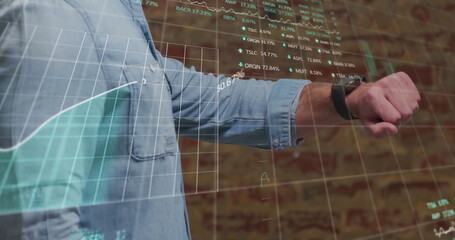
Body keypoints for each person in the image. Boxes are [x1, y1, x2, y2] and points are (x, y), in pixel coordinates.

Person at [0, 0, 420, 239]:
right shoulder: (52, 15)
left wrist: (346, 98)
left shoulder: (107, 12)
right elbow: (36, 227)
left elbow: (204, 99)